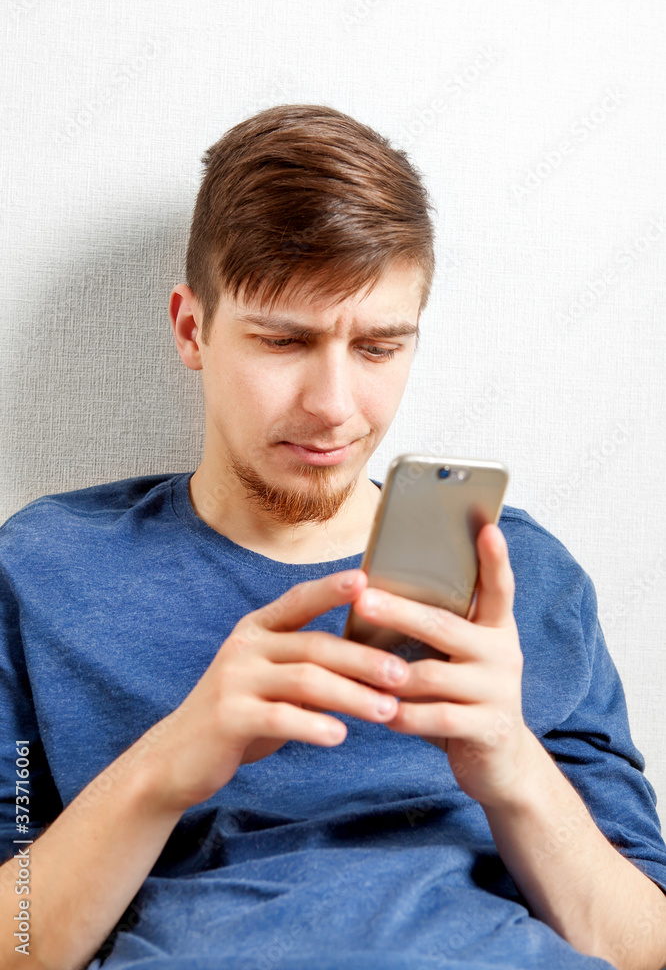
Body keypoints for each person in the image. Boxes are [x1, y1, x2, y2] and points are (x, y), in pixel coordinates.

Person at [1, 104, 665, 970]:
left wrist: (509, 761)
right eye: (284, 341)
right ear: (191, 329)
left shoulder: (518, 575)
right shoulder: (45, 569)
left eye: (381, 348)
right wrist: (171, 762)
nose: (334, 407)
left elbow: (646, 947)